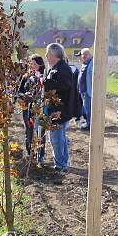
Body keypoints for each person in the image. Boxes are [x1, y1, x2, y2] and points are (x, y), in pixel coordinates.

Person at [43, 43, 72, 172]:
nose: (46, 56)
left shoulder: (62, 68)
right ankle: (62, 163)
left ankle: (60, 165)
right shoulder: (55, 67)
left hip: (59, 110)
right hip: (57, 109)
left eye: (48, 53)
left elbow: (64, 86)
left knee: (56, 139)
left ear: (54, 55)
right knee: (60, 138)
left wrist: (47, 82)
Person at [17, 55, 45, 158]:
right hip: (27, 107)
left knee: (40, 131)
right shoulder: (26, 76)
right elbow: (18, 92)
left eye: (35, 64)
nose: (32, 66)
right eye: (31, 64)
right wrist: (24, 95)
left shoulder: (44, 76)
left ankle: (40, 155)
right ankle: (29, 153)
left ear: (40, 64)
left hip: (39, 108)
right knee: (28, 130)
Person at [77, 48, 93, 130]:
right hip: (83, 91)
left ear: (89, 55)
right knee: (86, 108)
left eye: (85, 55)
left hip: (88, 90)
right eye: (83, 55)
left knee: (88, 109)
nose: (83, 56)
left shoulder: (92, 64)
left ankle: (89, 125)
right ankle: (88, 123)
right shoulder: (84, 64)